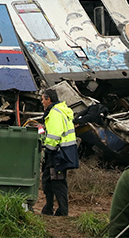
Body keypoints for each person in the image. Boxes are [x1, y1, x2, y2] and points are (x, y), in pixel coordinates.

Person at [40, 88, 78, 216]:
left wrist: (48, 148)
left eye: (42, 99)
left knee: (57, 182)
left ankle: (62, 210)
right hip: (63, 151)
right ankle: (48, 208)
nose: (42, 102)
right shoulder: (61, 110)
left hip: (57, 152)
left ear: (48, 99)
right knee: (47, 180)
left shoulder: (55, 113)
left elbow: (54, 135)